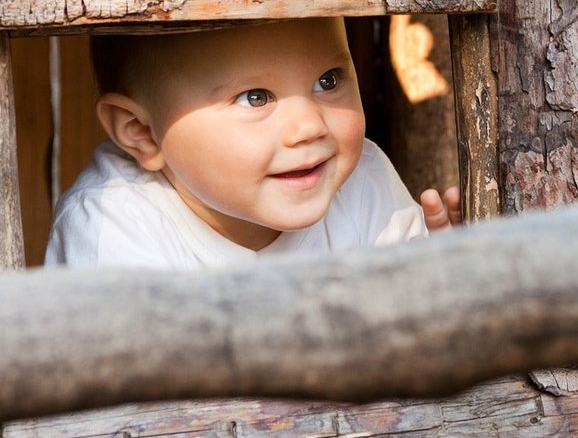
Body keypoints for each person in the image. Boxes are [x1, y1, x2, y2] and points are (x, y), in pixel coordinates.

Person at [45, 17, 461, 269]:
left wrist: (446, 283)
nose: (309, 127)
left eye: (327, 81)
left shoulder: (360, 182)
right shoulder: (112, 227)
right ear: (142, 132)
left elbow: (417, 341)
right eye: (256, 97)